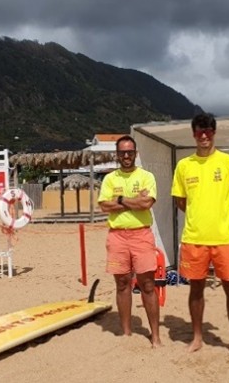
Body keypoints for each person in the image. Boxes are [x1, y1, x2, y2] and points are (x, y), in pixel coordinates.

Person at [171, 113, 229, 356]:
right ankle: (197, 338)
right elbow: (180, 201)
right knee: (196, 289)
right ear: (193, 134)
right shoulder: (184, 165)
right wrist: (199, 217)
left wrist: (223, 218)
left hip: (224, 238)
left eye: (208, 131)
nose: (203, 135)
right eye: (199, 131)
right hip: (194, 238)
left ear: (214, 133)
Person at [98, 135, 162, 348]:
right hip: (117, 236)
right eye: (123, 152)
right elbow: (104, 206)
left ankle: (155, 336)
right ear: (117, 155)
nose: (126, 156)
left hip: (141, 235)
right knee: (122, 283)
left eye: (130, 152)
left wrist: (119, 200)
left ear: (136, 153)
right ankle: (126, 333)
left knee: (148, 284)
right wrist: (133, 201)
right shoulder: (109, 179)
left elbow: (146, 204)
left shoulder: (146, 176)